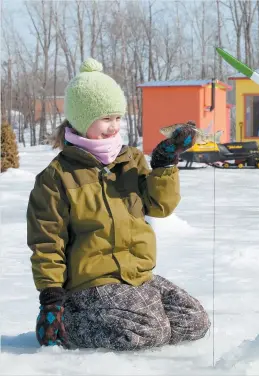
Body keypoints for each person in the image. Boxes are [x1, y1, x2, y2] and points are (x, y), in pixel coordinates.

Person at [26, 58, 210, 351]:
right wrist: (51, 297)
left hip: (136, 274)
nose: (113, 127)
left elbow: (160, 206)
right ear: (81, 120)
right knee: (150, 331)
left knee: (194, 321)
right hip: (91, 283)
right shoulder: (56, 176)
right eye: (105, 119)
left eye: (117, 118)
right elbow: (47, 242)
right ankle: (68, 326)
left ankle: (131, 317)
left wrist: (164, 165)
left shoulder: (131, 160)